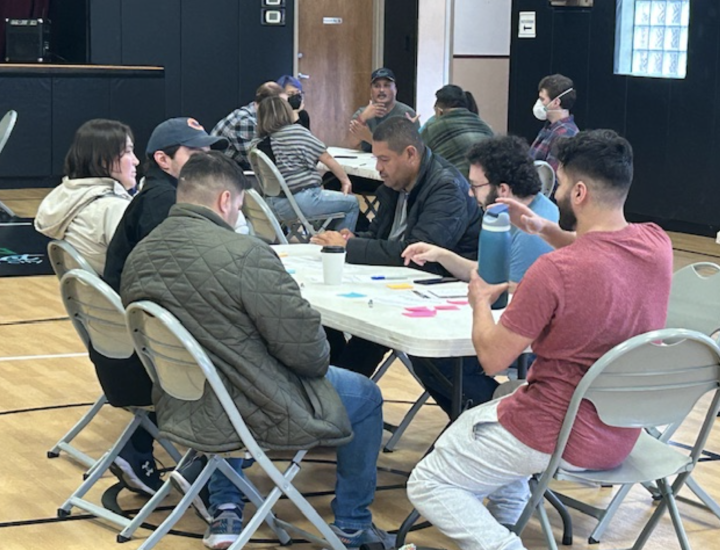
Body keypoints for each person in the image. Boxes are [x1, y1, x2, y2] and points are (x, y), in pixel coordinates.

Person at [406, 129, 673, 550]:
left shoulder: (554, 273)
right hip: (621, 430)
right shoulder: (657, 244)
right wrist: (542, 227)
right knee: (498, 410)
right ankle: (505, 520)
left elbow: (493, 359)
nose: (559, 191)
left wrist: (479, 300)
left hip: (558, 430)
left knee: (428, 481)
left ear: (580, 192)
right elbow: (600, 249)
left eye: (563, 184)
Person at [121, 151, 394, 550]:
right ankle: (353, 523)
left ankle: (226, 509)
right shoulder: (247, 255)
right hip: (250, 407)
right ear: (225, 201)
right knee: (365, 396)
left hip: (181, 401)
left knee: (227, 366)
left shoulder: (140, 255)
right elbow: (311, 356)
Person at [312, 117, 481, 377]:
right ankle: (339, 391)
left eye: (384, 159)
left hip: (444, 289)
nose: (377, 167)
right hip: (400, 282)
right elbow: (382, 235)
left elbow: (418, 254)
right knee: (323, 311)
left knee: (373, 321)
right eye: (376, 158)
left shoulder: (446, 188)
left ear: (411, 154)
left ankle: (339, 394)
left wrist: (350, 248)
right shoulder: (395, 183)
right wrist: (353, 237)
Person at [401, 135, 559, 415]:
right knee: (429, 356)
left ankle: (487, 415)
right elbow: (489, 274)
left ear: (504, 189)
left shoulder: (531, 234)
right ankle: (471, 416)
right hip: (514, 328)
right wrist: (441, 254)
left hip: (527, 345)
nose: (471, 194)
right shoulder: (509, 215)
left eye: (475, 186)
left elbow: (509, 303)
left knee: (439, 360)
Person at [104, 117, 229, 292]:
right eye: (196, 156)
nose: (207, 163)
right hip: (146, 307)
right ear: (163, 160)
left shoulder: (159, 190)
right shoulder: (164, 201)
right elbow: (179, 270)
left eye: (208, 154)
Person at [35, 118, 138, 274]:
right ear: (103, 159)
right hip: (120, 295)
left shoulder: (65, 195)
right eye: (128, 152)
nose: (136, 161)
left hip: (88, 296)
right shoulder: (113, 208)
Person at [254, 96, 359, 232]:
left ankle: (322, 237)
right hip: (304, 201)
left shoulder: (257, 143)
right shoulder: (297, 132)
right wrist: (345, 181)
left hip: (273, 204)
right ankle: (338, 247)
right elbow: (326, 157)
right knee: (351, 203)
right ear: (287, 112)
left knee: (328, 209)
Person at [420, 84, 493, 178]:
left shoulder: (432, 128)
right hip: (488, 184)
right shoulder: (485, 127)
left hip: (455, 186)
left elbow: (417, 161)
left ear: (439, 111)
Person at [211, 81, 285, 170]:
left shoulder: (253, 114)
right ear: (269, 104)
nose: (285, 110)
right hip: (220, 173)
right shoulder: (245, 122)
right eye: (282, 105)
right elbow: (258, 164)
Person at [349, 68, 419, 153]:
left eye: (387, 85)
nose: (381, 90)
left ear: (395, 90)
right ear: (371, 91)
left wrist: (369, 138)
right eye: (377, 86)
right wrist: (362, 118)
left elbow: (408, 152)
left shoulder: (406, 113)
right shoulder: (362, 113)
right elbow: (350, 144)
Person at [529, 73, 579, 173]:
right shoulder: (550, 128)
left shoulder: (565, 134)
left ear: (556, 102)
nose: (539, 103)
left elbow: (550, 179)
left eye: (542, 99)